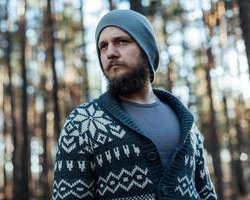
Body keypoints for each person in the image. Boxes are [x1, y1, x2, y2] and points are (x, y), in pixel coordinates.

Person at [53, 9, 217, 200]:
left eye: (121, 41)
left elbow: (206, 193)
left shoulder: (186, 124)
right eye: (103, 46)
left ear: (146, 49)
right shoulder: (83, 122)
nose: (110, 53)